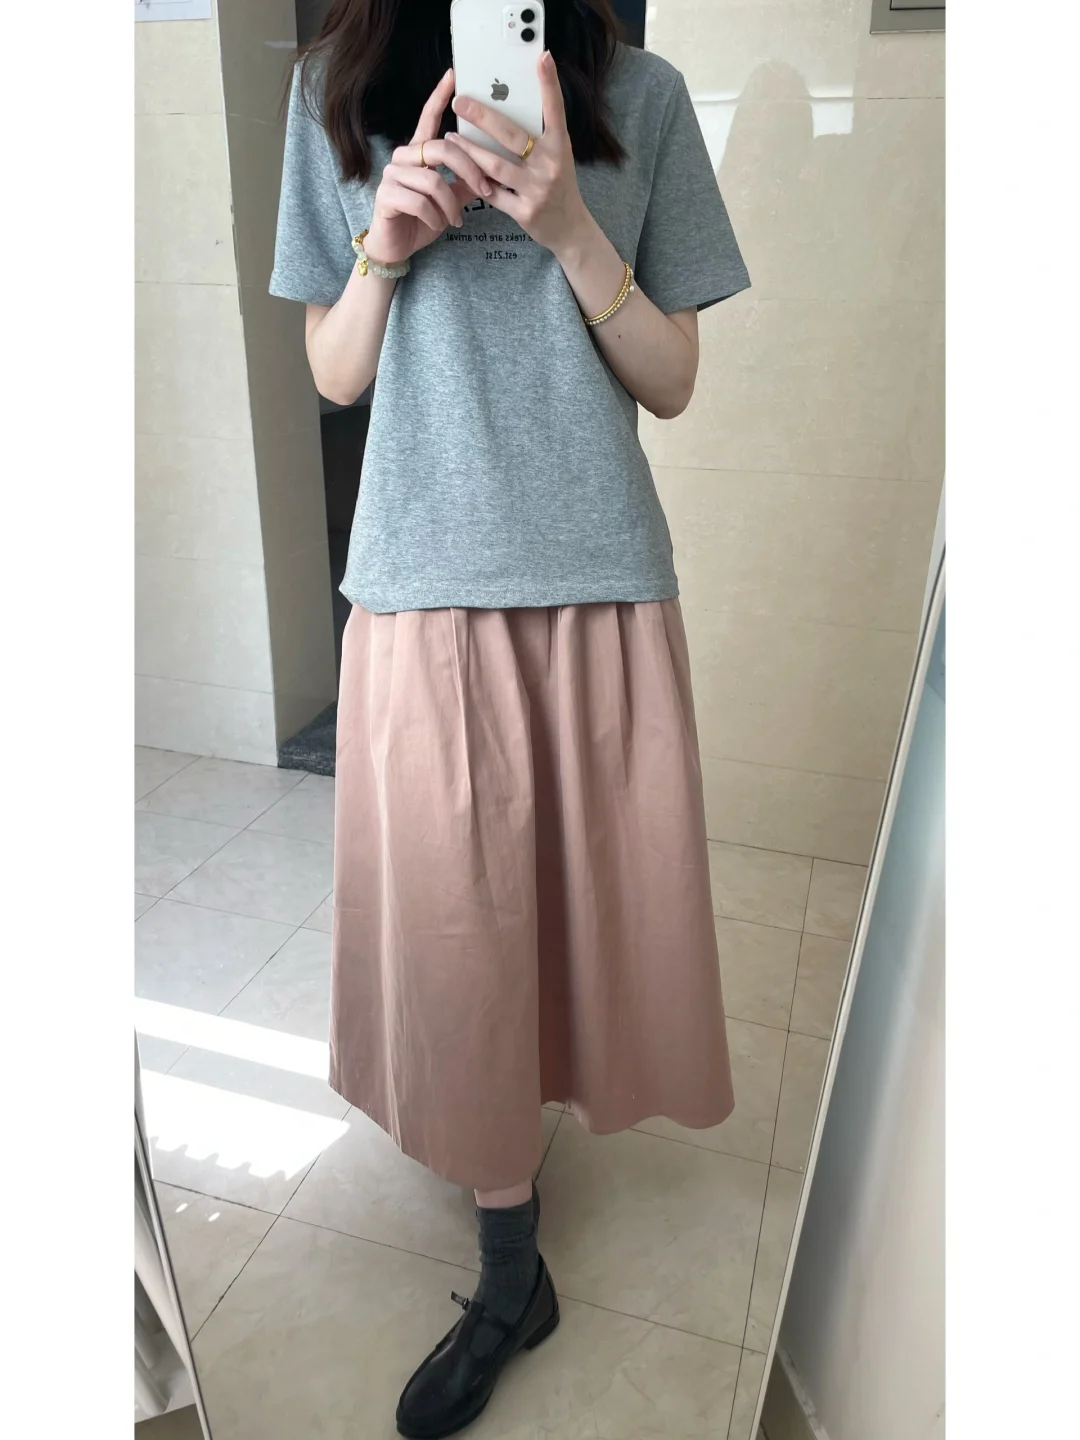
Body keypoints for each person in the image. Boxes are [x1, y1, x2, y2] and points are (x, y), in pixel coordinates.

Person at [270, 2, 750, 1434]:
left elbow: (674, 380)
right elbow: (333, 370)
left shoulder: (642, 94)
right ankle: (507, 1263)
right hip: (422, 577)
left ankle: (515, 1186)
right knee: (460, 930)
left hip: (598, 573)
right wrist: (384, 246)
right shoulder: (332, 91)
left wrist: (570, 231)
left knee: (586, 913)